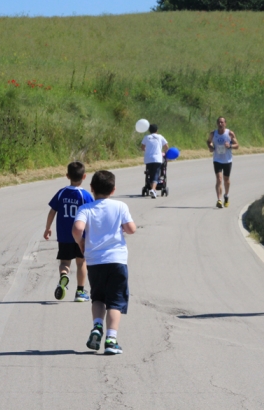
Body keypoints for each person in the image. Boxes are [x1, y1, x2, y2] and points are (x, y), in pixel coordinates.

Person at [73, 170, 136, 355]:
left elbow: (77, 229)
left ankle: (97, 326)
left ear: (91, 188)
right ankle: (111, 339)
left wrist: (81, 242)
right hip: (117, 261)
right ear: (113, 189)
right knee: (115, 301)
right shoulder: (120, 206)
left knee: (98, 297)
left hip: (95, 261)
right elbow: (131, 229)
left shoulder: (86, 208)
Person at [44, 161, 94, 301]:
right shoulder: (85, 195)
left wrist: (48, 228)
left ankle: (64, 276)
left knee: (65, 262)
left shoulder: (61, 193)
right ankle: (80, 292)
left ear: (67, 176)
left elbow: (52, 211)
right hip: (81, 236)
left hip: (64, 235)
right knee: (81, 262)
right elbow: (92, 214)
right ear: (84, 176)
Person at [207, 117, 238, 208]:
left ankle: (226, 195)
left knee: (226, 180)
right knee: (219, 179)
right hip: (217, 159)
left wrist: (230, 145)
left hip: (227, 160)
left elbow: (237, 145)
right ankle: (219, 199)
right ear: (217, 124)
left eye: (222, 122)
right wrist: (210, 147)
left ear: (225, 123)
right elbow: (208, 141)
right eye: (219, 122)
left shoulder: (229, 133)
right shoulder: (213, 134)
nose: (220, 124)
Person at [140, 123, 169, 199]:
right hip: (157, 159)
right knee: (156, 174)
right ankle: (153, 189)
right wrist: (165, 153)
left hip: (148, 159)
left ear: (149, 130)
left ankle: (152, 188)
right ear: (157, 130)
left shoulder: (146, 137)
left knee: (150, 174)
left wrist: (147, 150)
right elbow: (166, 147)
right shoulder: (160, 137)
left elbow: (142, 147)